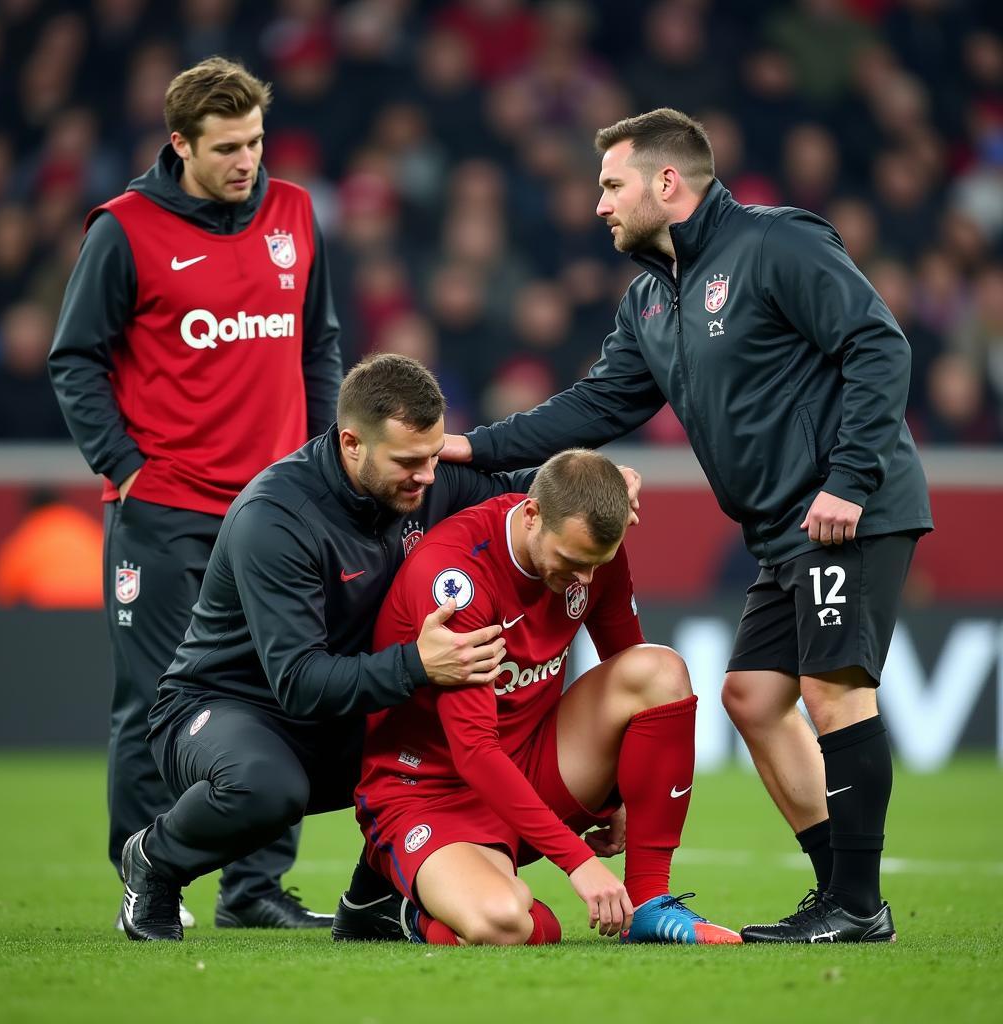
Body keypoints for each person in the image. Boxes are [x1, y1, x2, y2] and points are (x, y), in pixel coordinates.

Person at [440, 108, 933, 943]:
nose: (598, 204)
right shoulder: (651, 300)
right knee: (752, 696)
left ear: (667, 183)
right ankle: (839, 894)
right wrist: (468, 448)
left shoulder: (777, 244)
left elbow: (879, 347)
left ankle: (857, 905)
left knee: (831, 689)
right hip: (784, 529)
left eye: (610, 184)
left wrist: (849, 480)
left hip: (849, 509)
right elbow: (595, 405)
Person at [114, 353, 555, 941]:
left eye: (432, 455)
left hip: (339, 715)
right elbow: (297, 683)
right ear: (351, 443)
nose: (426, 476)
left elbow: (528, 499)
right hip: (224, 708)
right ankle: (155, 862)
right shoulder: (275, 518)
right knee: (266, 786)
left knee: (469, 730)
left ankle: (373, 896)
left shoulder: (426, 477)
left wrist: (595, 486)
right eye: (407, 462)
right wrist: (417, 664)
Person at [47, 57, 343, 930]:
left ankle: (254, 892)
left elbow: (316, 346)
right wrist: (127, 467)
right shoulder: (125, 229)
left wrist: (323, 461)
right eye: (225, 147)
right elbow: (75, 359)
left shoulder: (294, 213)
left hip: (280, 514)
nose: (245, 160)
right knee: (153, 703)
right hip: (166, 511)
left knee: (286, 695)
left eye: (254, 140)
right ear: (179, 143)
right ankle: (149, 883)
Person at [357, 448, 741, 946]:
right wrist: (578, 863)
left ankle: (649, 902)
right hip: (430, 789)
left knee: (660, 670)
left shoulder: (590, 550)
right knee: (505, 922)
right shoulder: (455, 580)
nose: (584, 578)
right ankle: (395, 909)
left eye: (596, 564)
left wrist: (624, 790)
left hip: (533, 763)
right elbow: (474, 751)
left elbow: (630, 665)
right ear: (533, 516)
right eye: (572, 562)